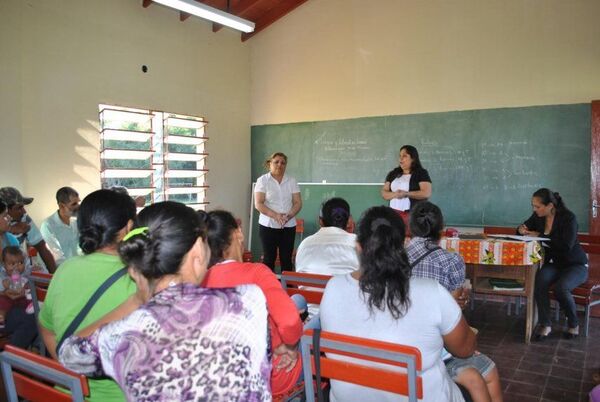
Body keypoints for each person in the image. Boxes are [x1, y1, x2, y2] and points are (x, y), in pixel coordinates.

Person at [59, 202, 271, 401]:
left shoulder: (120, 335)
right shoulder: (249, 300)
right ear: (198, 250)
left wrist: (137, 299)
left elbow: (68, 355)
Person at [320, 206, 476, 402]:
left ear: (358, 246)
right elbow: (466, 349)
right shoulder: (432, 292)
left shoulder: (333, 288)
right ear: (404, 243)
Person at [39, 189, 137, 402]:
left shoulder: (64, 270)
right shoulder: (139, 278)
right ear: (129, 227)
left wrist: (71, 364)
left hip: (67, 393)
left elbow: (46, 329)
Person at [407, 201, 503, 402]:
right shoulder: (452, 261)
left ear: (410, 227)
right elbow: (451, 313)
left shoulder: (396, 258)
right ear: (441, 230)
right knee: (489, 371)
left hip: (404, 345)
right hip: (437, 349)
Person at [201, 209, 303, 397]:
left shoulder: (200, 280)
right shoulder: (257, 273)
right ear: (238, 233)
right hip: (269, 375)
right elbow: (290, 322)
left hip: (221, 380)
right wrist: (290, 346)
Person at [518, 188, 588, 340]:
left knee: (561, 288)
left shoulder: (568, 218)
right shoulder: (538, 217)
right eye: (533, 206)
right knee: (540, 281)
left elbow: (566, 246)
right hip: (555, 263)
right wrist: (521, 229)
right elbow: (522, 229)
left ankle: (573, 324)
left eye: (537, 206)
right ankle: (545, 324)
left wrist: (540, 235)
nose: (534, 209)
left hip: (575, 264)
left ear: (550, 206)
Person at [295, 197, 358, 319]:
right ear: (349, 221)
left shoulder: (304, 244)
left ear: (320, 221)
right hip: (346, 319)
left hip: (310, 318)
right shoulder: (358, 244)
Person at [254, 152, 302, 272]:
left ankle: (287, 289)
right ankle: (269, 288)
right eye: (276, 162)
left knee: (286, 259)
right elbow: (258, 203)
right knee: (269, 258)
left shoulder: (291, 181)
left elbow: (298, 203)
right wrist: (276, 216)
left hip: (288, 225)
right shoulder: (262, 180)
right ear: (270, 163)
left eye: (283, 163)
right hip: (268, 225)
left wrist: (288, 216)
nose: (280, 165)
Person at [0, 201, 37, 349]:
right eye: (3, 215)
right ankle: (13, 363)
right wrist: (3, 291)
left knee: (43, 315)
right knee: (31, 320)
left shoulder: (12, 240)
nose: (8, 218)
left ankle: (34, 353)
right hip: (3, 305)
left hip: (17, 298)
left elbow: (25, 267)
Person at [0, 187, 57, 273]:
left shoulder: (24, 219)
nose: (23, 211)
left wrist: (54, 277)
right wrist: (11, 229)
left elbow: (42, 248)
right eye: (19, 208)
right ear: (6, 209)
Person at [380, 145, 432, 229]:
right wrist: (395, 194)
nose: (401, 159)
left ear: (413, 158)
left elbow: (426, 193)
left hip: (413, 216)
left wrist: (406, 194)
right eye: (400, 156)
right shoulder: (393, 173)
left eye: (404, 156)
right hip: (393, 214)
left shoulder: (421, 173)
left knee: (410, 238)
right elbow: (384, 193)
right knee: (395, 238)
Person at [40, 186, 81, 266]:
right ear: (61, 206)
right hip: (58, 271)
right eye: (74, 204)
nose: (78, 206)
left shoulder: (75, 222)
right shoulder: (48, 225)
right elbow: (57, 257)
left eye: (78, 202)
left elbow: (80, 248)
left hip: (75, 268)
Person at [0, 246, 30, 323]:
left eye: (20, 263)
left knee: (32, 298)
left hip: (23, 298)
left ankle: (32, 310)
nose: (16, 267)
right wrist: (3, 285)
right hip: (8, 298)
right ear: (3, 264)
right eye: (12, 264)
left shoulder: (26, 273)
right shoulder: (3, 276)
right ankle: (1, 317)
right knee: (2, 301)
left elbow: (32, 281)